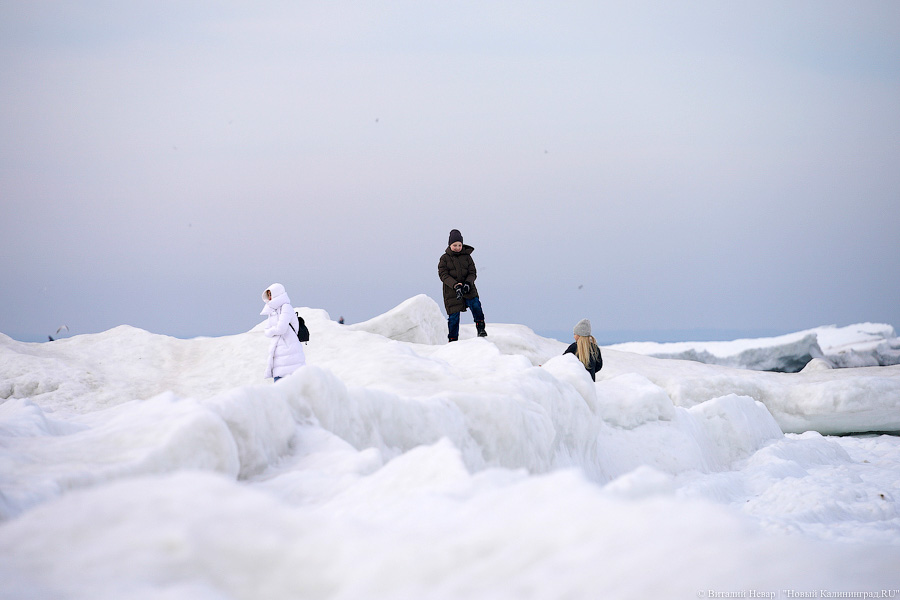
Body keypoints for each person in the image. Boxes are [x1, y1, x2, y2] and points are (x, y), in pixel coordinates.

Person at [438, 229, 487, 342]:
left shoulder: (467, 257)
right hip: (452, 292)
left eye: (459, 245)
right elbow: (443, 275)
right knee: (454, 317)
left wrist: (468, 283)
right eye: (455, 245)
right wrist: (455, 285)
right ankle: (453, 340)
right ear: (450, 245)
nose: (457, 247)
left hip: (468, 289)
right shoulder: (444, 258)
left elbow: (472, 272)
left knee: (476, 306)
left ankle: (481, 329)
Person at [260, 283, 306, 381]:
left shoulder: (286, 307)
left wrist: (272, 331)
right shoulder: (273, 311)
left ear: (277, 293)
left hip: (290, 352)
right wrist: (274, 331)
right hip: (278, 355)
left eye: (271, 294)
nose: (270, 297)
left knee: (291, 388)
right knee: (279, 390)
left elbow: (281, 329)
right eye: (268, 295)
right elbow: (266, 331)